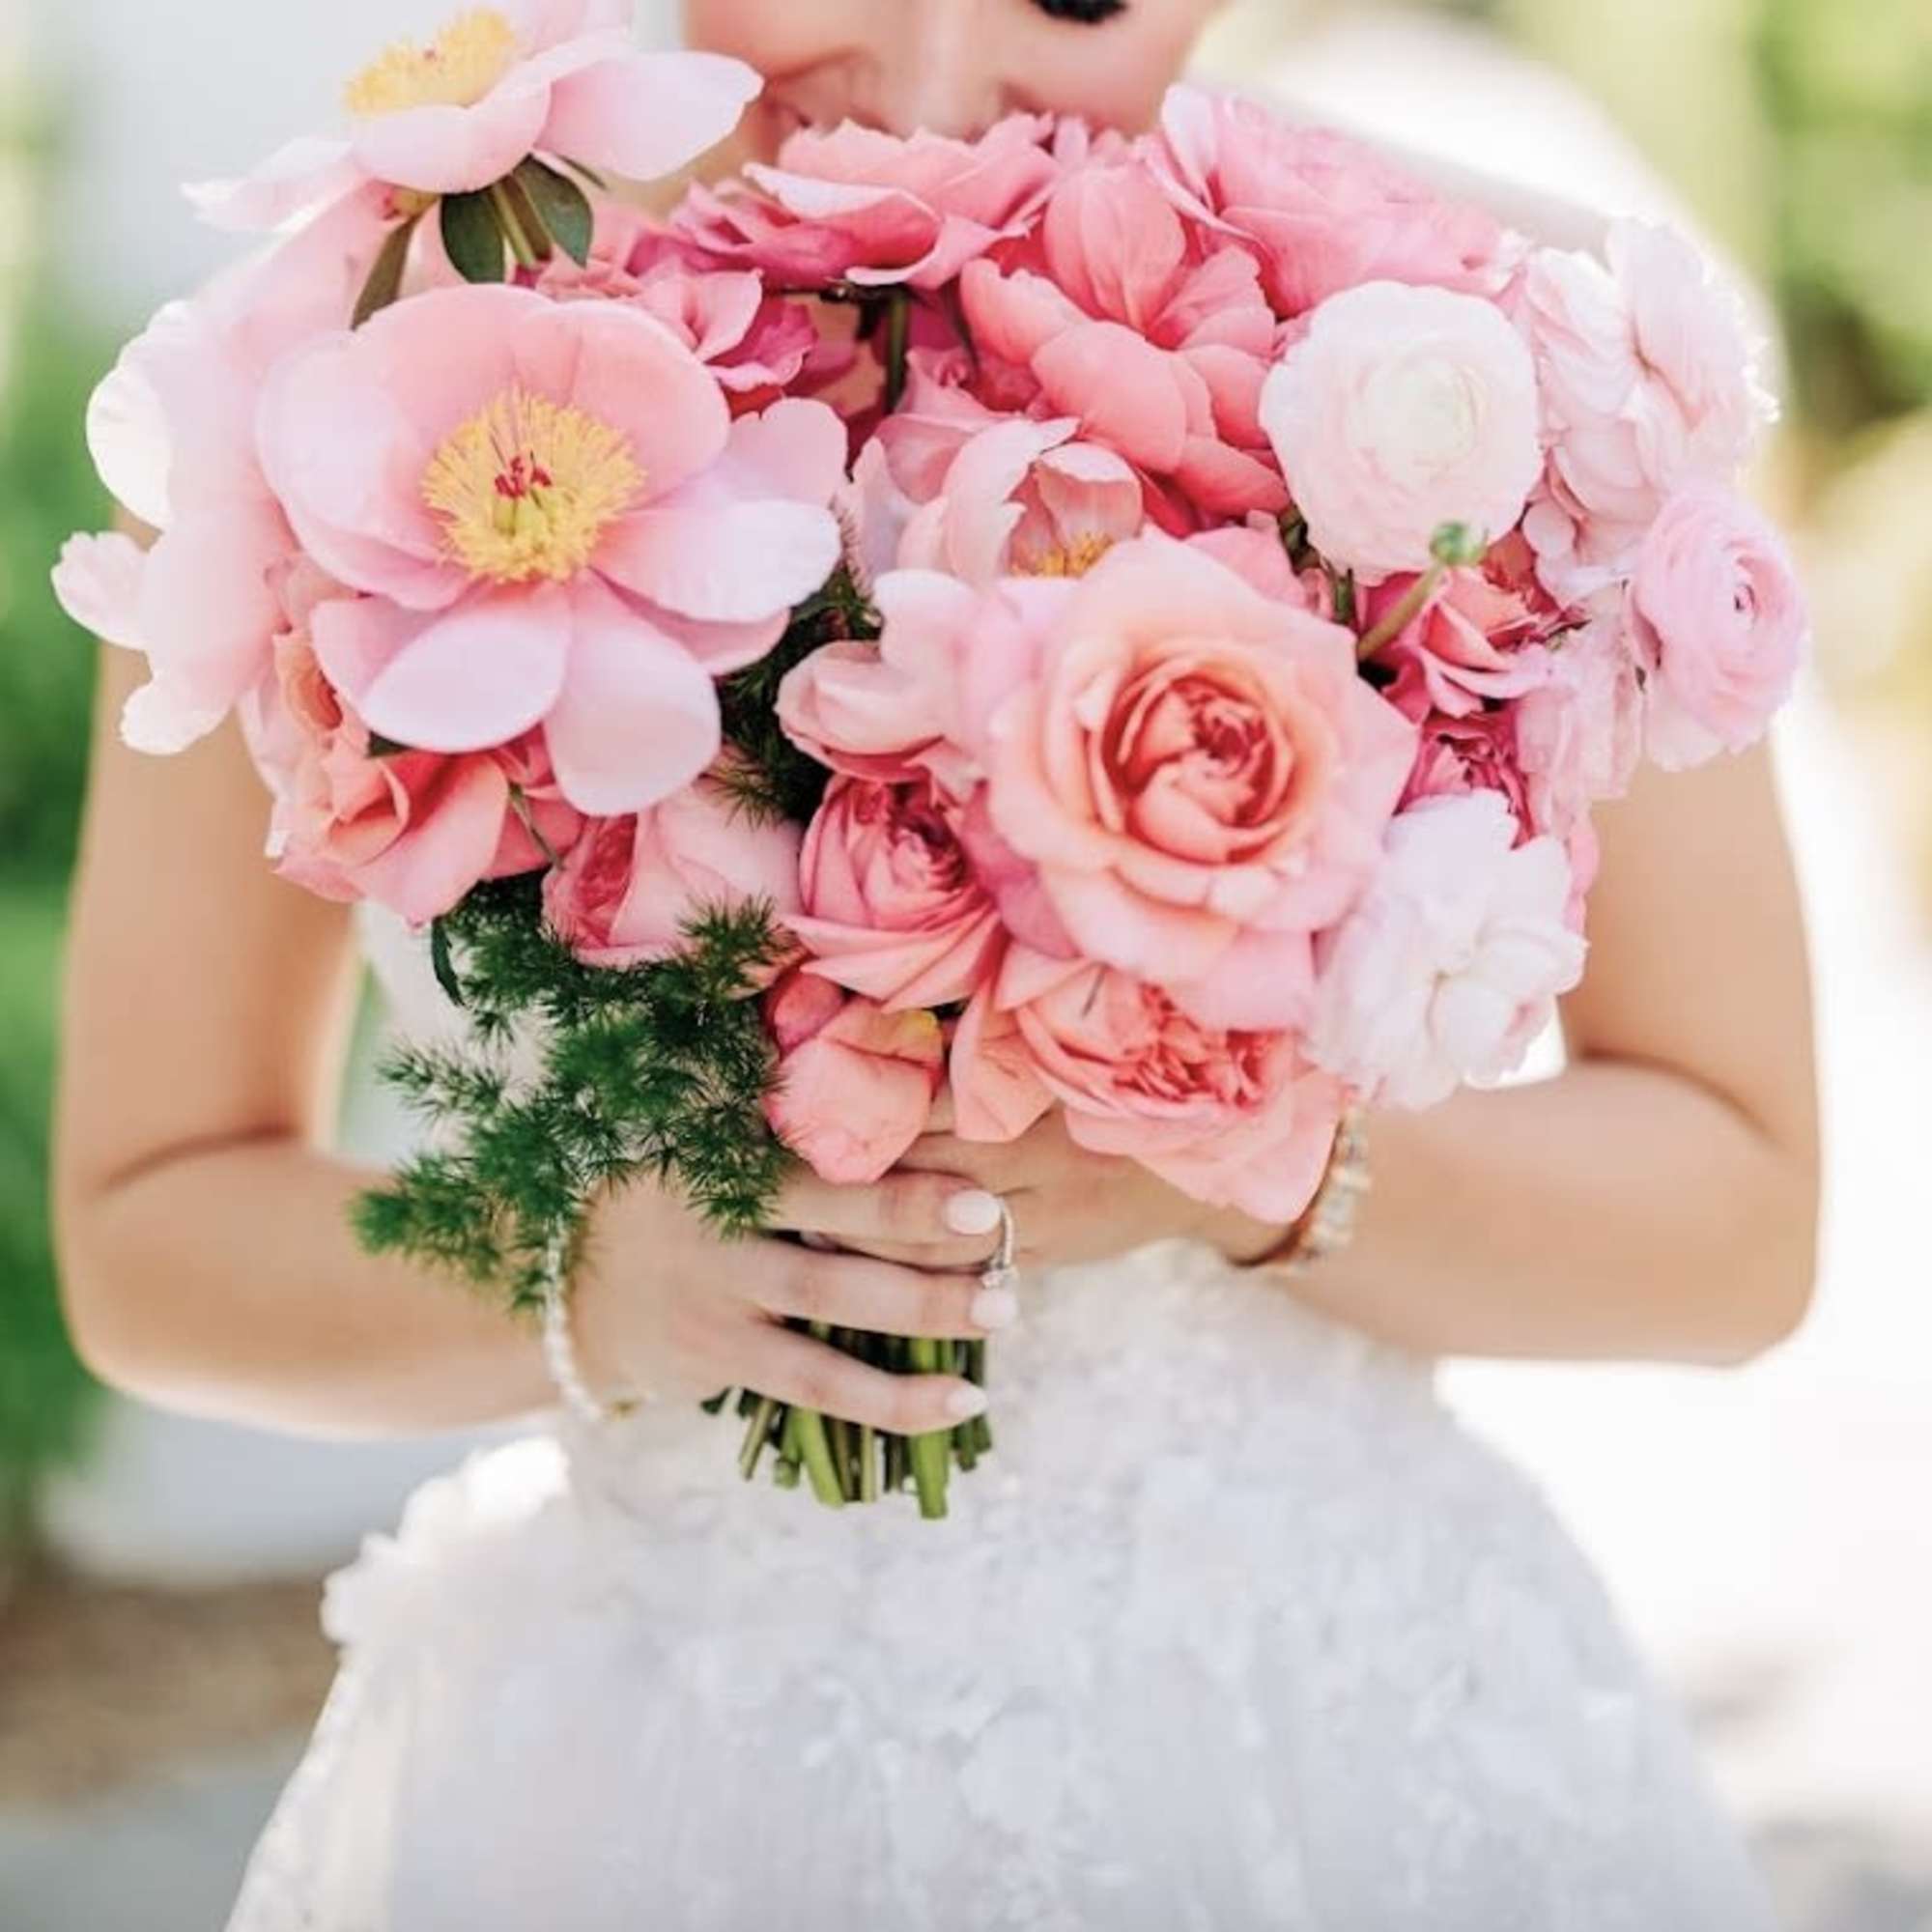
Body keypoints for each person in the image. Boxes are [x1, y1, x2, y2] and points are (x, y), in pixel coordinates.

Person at [52, 1, 1818, 1925]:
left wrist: (1235, 1158)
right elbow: (150, 1242)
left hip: (1323, 1745)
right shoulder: (341, 377)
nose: (930, 81)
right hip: (655, 1772)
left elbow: (1738, 1222)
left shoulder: (1493, 367)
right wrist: (588, 1271)